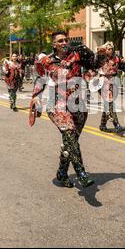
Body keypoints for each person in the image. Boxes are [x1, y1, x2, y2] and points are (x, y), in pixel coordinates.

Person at [30, 31, 97, 188]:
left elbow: (94, 65)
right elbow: (40, 80)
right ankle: (81, 173)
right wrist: (36, 96)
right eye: (60, 40)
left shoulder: (77, 55)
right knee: (70, 135)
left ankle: (61, 173)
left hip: (78, 105)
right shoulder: (46, 61)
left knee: (70, 141)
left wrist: (93, 54)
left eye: (66, 40)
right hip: (57, 105)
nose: (64, 42)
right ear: (54, 44)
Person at [96, 41, 125, 132]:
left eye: (111, 49)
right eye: (108, 48)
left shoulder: (116, 58)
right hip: (102, 82)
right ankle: (117, 125)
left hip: (113, 82)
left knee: (108, 104)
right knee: (110, 103)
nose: (110, 50)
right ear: (104, 49)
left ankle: (102, 125)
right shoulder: (100, 57)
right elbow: (93, 64)